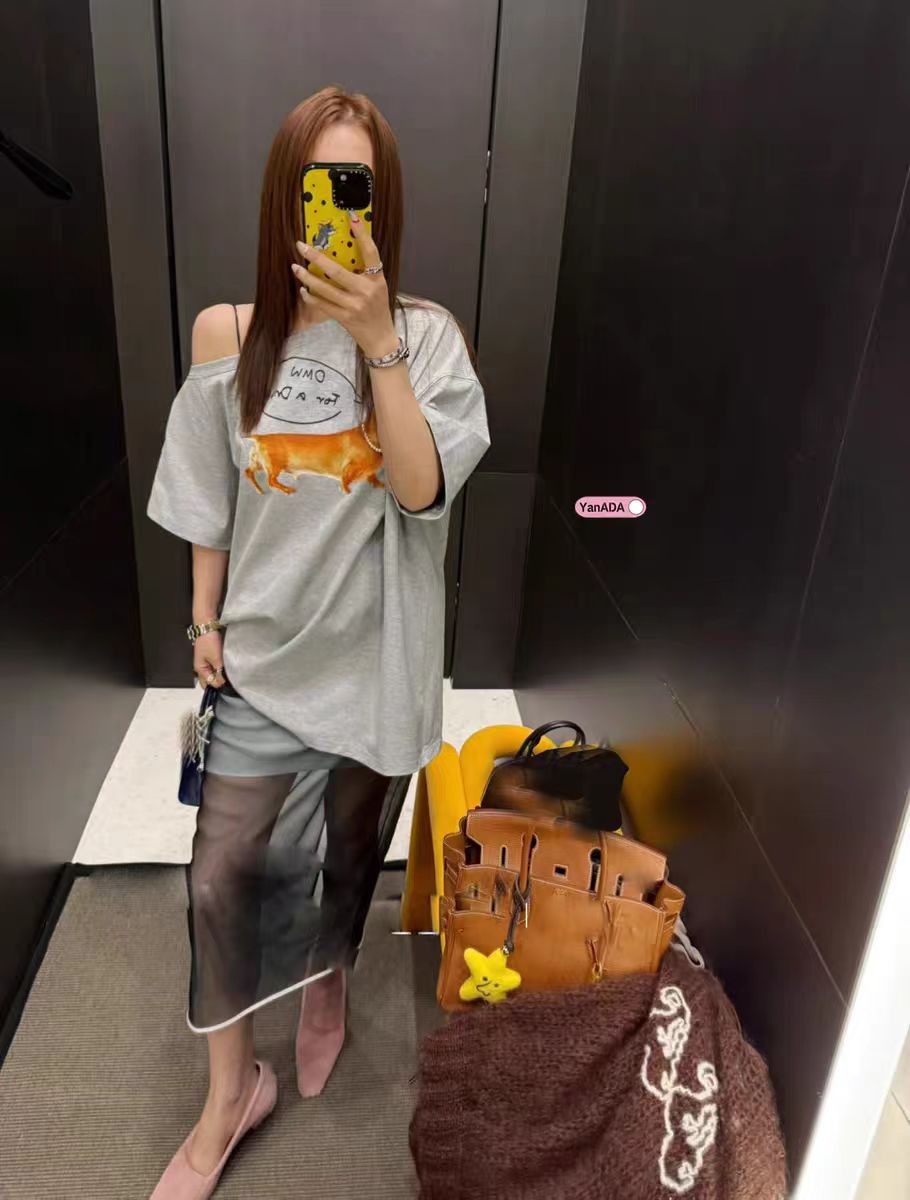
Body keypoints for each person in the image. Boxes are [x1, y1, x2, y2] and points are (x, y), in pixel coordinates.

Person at [145, 85, 490, 1199]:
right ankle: (229, 1095)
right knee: (220, 879)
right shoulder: (227, 334)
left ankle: (328, 977)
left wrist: (379, 341)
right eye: (319, 186)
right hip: (264, 661)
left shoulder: (427, 338)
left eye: (359, 189)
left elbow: (421, 489)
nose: (338, 209)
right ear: (284, 199)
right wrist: (204, 617)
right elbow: (207, 496)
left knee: (348, 862)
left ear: (382, 206)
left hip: (376, 667)